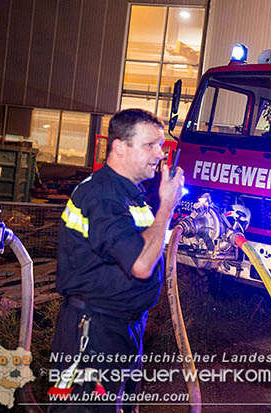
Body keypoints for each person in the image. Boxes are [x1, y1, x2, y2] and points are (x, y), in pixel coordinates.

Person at [49, 109, 184, 412]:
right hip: (93, 334)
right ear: (120, 147)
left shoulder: (128, 194)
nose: (159, 154)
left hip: (119, 328)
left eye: (160, 146)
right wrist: (166, 208)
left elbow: (144, 243)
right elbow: (140, 264)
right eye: (149, 145)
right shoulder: (102, 196)